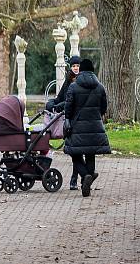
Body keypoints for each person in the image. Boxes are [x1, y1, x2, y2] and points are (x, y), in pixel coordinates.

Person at [64, 58, 110, 197]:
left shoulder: (73, 86)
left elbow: (68, 107)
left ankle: (85, 176)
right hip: (95, 125)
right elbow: (104, 108)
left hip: (77, 126)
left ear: (81, 70)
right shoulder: (100, 87)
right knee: (90, 154)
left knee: (75, 154)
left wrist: (68, 120)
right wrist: (95, 116)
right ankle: (88, 180)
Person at [46, 55, 81, 189]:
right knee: (73, 151)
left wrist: (60, 105)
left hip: (77, 120)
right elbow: (60, 97)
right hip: (68, 121)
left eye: (77, 66)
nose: (76, 68)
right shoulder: (68, 80)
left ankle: (75, 179)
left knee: (77, 151)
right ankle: (79, 178)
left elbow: (72, 101)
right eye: (73, 66)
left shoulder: (81, 81)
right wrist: (51, 103)